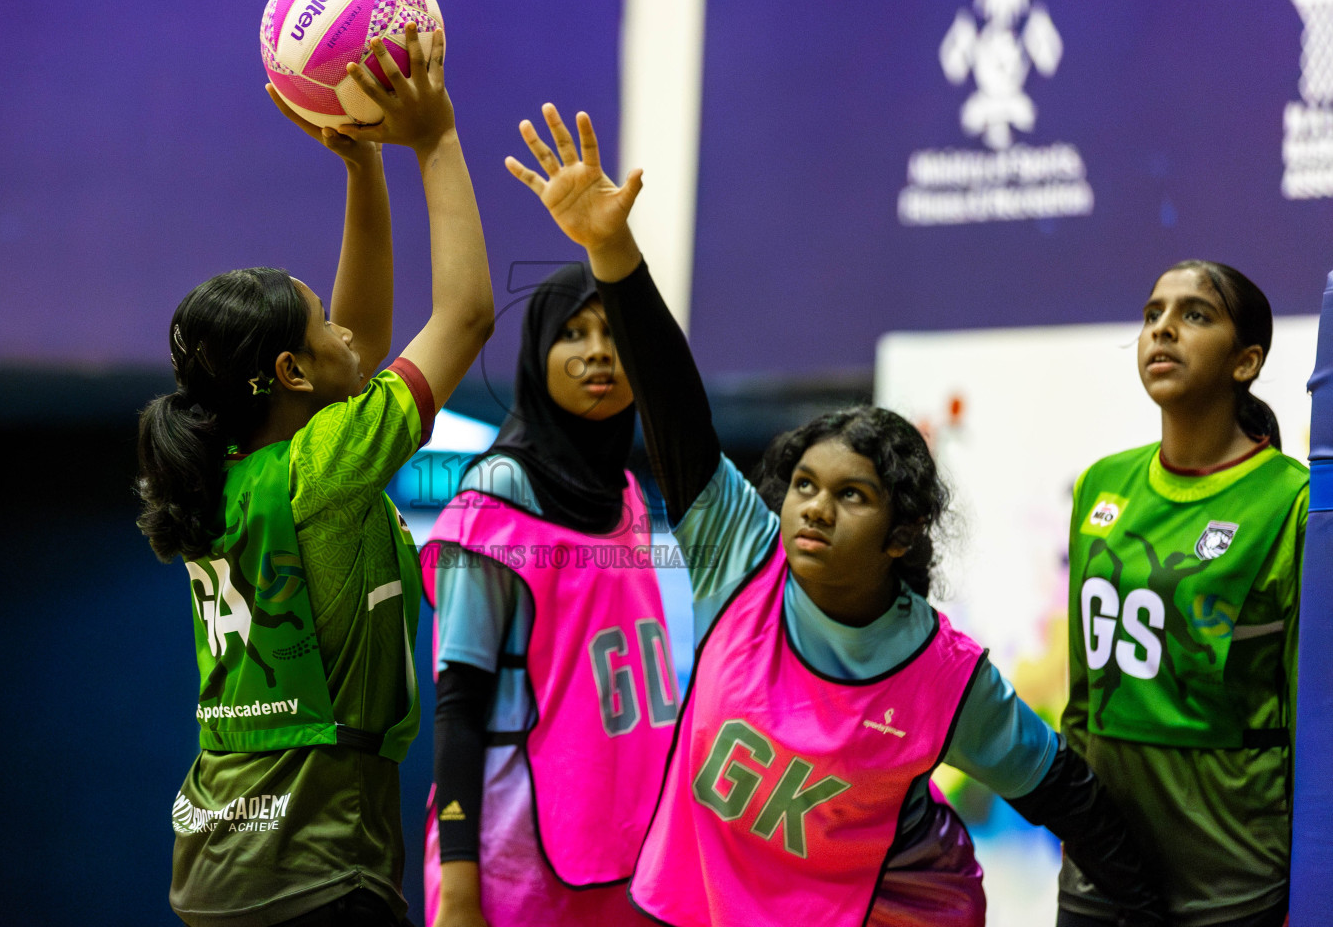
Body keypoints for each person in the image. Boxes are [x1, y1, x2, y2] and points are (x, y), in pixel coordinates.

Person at [503, 103, 1170, 927]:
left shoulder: (944, 677)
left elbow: (1069, 798)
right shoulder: (740, 554)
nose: (813, 509)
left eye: (849, 495)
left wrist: (1152, 910)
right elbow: (676, 406)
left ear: (899, 535)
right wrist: (610, 248)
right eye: (805, 486)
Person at [136, 25, 494, 927]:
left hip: (223, 857)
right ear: (293, 375)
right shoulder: (327, 465)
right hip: (312, 867)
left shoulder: (229, 467)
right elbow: (467, 316)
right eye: (323, 324)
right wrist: (434, 138)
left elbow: (361, 344)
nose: (351, 337)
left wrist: (360, 167)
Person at [419, 262, 676, 927]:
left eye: (613, 333)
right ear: (538, 355)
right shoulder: (493, 500)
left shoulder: (626, 494)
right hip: (514, 862)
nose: (597, 351)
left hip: (630, 858)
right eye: (572, 333)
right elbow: (458, 708)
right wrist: (458, 889)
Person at [1059, 261, 1306, 927]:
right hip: (1100, 861)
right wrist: (1074, 820)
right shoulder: (1099, 486)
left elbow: (1311, 714)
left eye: (1194, 314)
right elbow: (1084, 694)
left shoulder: (1294, 501)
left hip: (1230, 870)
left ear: (1244, 361)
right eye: (1151, 315)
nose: (1162, 328)